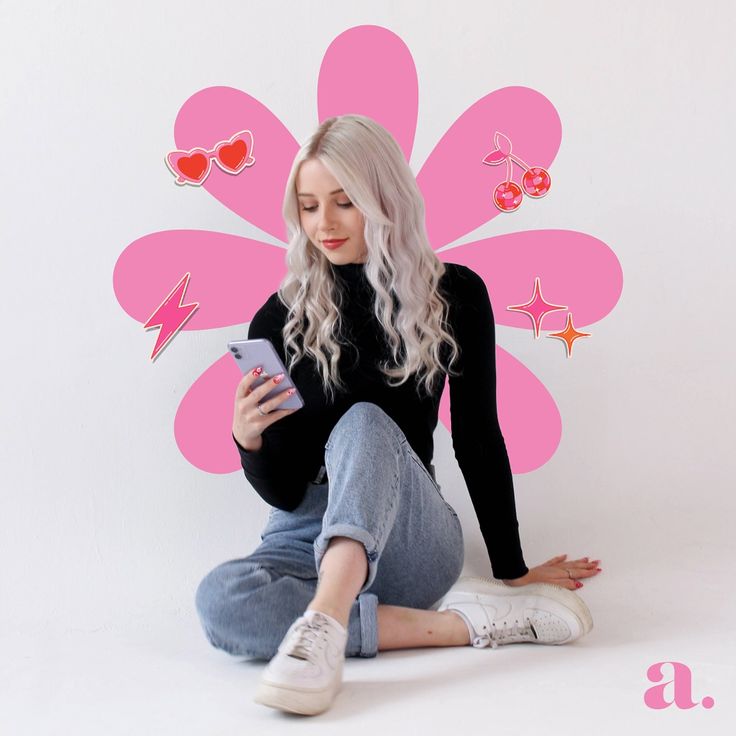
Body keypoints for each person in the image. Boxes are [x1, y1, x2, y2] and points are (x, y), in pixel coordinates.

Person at [195, 114, 602, 716]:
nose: (323, 224)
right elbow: (284, 495)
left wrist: (511, 567)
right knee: (220, 602)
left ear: (384, 200)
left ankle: (325, 626)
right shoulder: (276, 320)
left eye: (344, 202)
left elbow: (478, 437)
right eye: (308, 206)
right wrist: (248, 443)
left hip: (410, 535)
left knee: (361, 422)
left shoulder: (455, 295)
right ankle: (460, 626)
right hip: (306, 528)